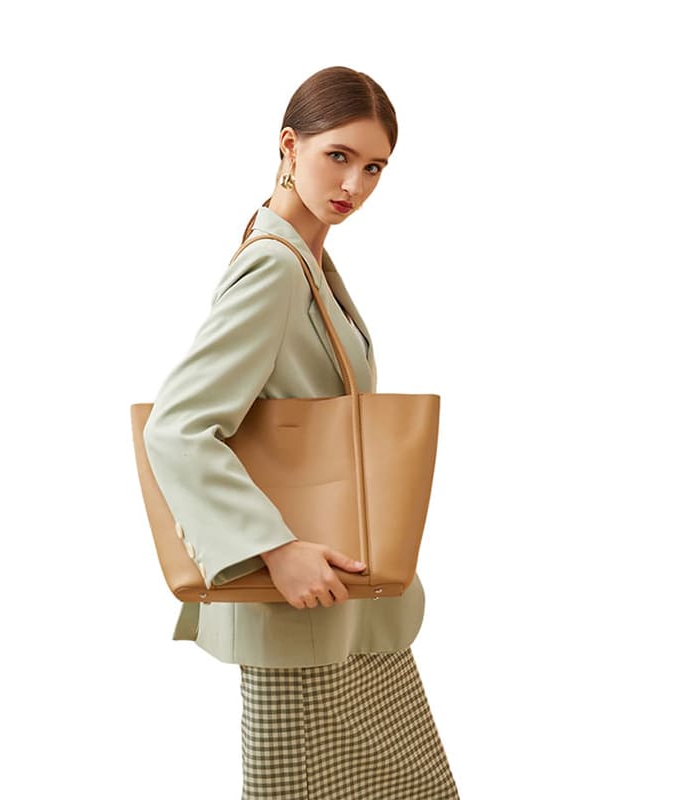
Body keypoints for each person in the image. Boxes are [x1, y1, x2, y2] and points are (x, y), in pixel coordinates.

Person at [143, 65, 461, 799]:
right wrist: (273, 548)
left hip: (337, 609)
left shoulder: (304, 253)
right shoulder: (277, 268)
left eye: (374, 166)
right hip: (304, 613)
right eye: (338, 156)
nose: (355, 184)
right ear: (290, 146)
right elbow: (178, 427)